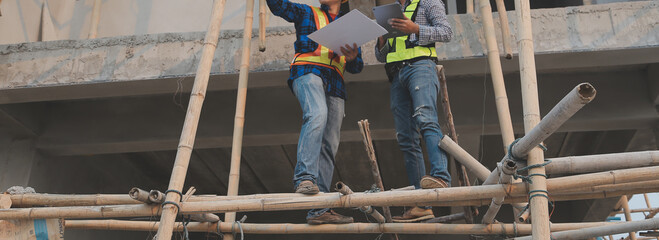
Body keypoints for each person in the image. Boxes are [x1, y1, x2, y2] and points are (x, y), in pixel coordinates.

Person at [266, 0, 363, 225]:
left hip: (335, 83)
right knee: (316, 114)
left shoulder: (350, 25)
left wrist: (352, 57)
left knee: (331, 143)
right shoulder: (306, 12)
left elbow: (357, 66)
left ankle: (319, 209)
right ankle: (304, 178)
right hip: (308, 72)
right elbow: (279, 6)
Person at [374, 0, 453, 222]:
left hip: (420, 66)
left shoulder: (428, 3)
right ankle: (422, 203)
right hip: (397, 74)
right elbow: (381, 56)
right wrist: (381, 39)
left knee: (426, 120)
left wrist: (416, 29)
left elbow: (447, 32)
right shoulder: (391, 11)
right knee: (406, 138)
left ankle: (440, 176)